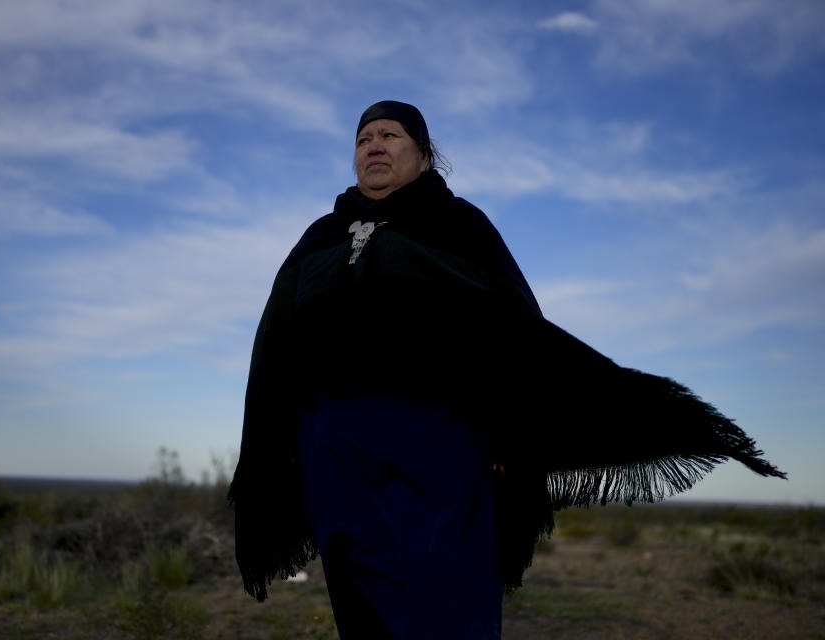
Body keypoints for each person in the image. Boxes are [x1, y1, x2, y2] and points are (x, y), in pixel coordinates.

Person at [228, 100, 785, 639]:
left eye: (390, 135)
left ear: (424, 155)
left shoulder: (459, 227)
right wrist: (291, 441)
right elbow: (276, 345)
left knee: (446, 594)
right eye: (363, 139)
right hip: (335, 451)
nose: (374, 146)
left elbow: (515, 335)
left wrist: (508, 437)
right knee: (359, 596)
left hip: (435, 444)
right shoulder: (320, 239)